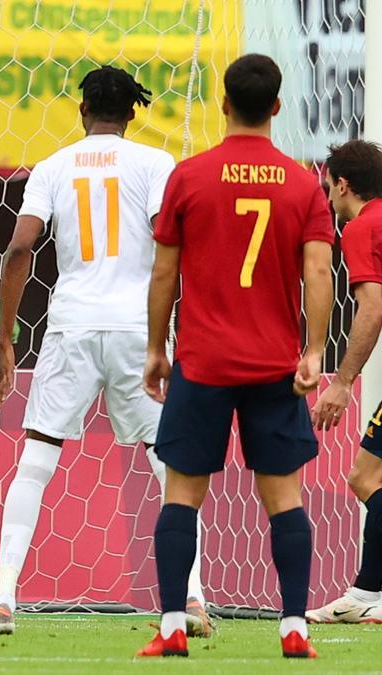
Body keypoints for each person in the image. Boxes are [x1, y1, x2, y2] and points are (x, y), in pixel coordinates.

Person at [0, 65, 208, 636]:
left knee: (37, 460)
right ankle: (194, 599)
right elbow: (171, 245)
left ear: (82, 111)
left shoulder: (54, 168)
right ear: (133, 113)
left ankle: (3, 599)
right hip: (139, 328)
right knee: (167, 464)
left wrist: (7, 340)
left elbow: (19, 250)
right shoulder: (156, 164)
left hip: (72, 326)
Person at [137, 54, 333, 659]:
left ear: (223, 104)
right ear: (277, 107)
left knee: (180, 495)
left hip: (203, 363)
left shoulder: (189, 176)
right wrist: (314, 350)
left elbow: (164, 270)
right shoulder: (303, 182)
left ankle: (172, 624)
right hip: (275, 365)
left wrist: (154, 347)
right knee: (284, 499)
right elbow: (319, 270)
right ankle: (294, 625)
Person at [306, 140, 382, 624]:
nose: (328, 199)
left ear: (343, 184)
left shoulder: (361, 227)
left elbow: (372, 307)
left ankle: (366, 593)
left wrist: (342, 382)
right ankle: (368, 592)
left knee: (367, 476)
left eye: (329, 188)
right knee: (366, 476)